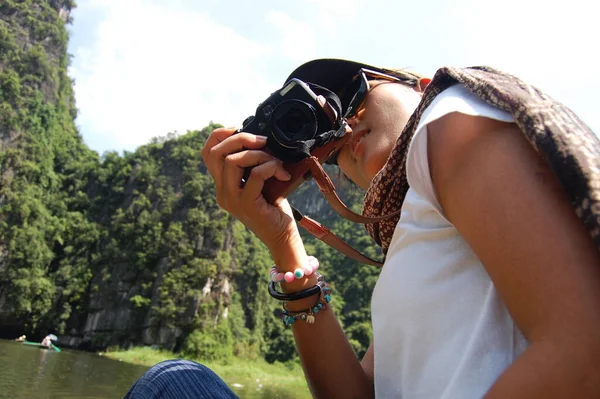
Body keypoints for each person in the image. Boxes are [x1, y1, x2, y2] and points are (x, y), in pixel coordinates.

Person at [125, 59, 600, 398]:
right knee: (173, 381)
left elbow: (584, 353)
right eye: (326, 153)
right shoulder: (414, 239)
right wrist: (284, 242)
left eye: (353, 94)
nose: (342, 126)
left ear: (422, 84)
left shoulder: (449, 117)